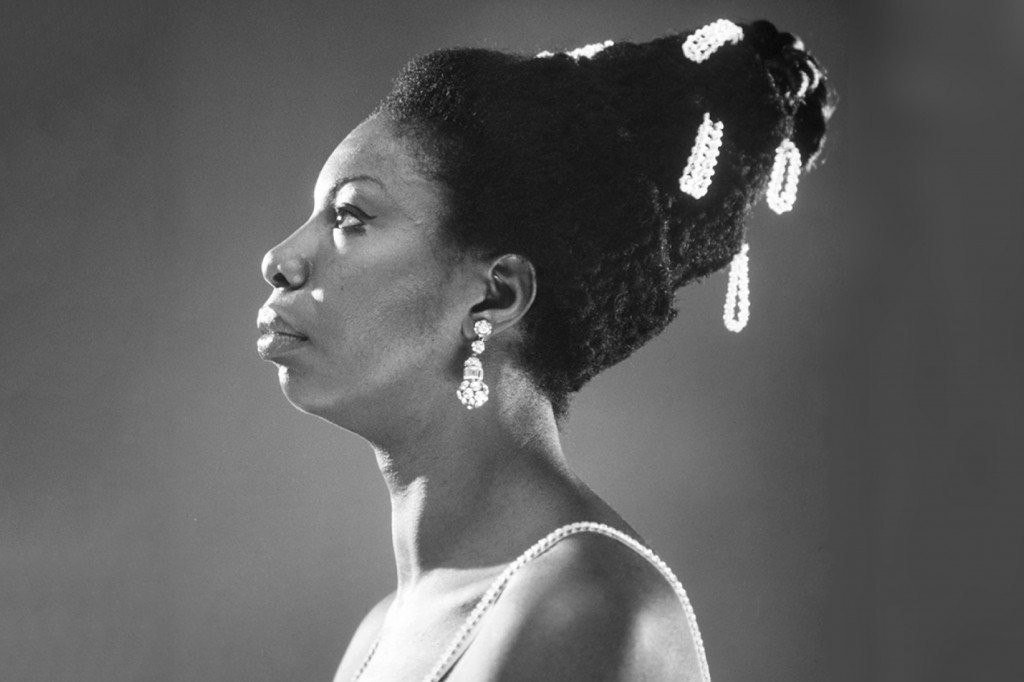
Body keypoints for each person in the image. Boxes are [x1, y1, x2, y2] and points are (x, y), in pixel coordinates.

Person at [257, 18, 832, 681]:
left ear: (496, 295)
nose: (280, 260)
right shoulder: (384, 631)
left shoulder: (583, 609)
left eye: (351, 218)